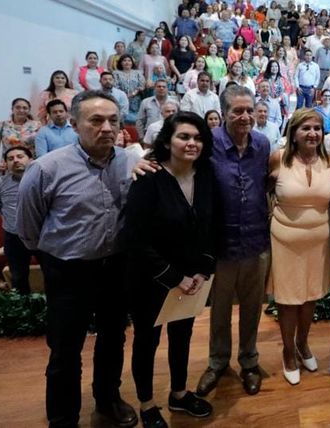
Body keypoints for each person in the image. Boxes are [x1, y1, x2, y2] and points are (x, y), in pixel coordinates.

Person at [16, 90, 139, 428]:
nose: (107, 128)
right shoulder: (46, 168)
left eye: (113, 120)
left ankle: (107, 400)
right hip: (68, 271)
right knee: (65, 349)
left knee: (113, 339)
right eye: (96, 120)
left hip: (115, 268)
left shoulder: (131, 163)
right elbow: (28, 229)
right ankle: (63, 418)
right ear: (74, 124)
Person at [122, 112, 215, 427]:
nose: (192, 143)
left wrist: (202, 270)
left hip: (192, 277)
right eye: (184, 136)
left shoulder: (205, 176)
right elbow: (134, 238)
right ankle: (147, 404)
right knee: (147, 342)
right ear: (167, 141)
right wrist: (175, 277)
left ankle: (179, 394)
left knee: (182, 336)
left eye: (198, 138)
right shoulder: (148, 177)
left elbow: (210, 227)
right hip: (150, 278)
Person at [196, 85, 270, 399]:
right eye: (237, 111)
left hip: (256, 239)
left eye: (249, 110)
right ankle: (217, 362)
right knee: (220, 308)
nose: (245, 117)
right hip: (221, 242)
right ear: (224, 113)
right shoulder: (208, 142)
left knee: (252, 307)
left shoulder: (262, 144)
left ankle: (249, 361)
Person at [267, 109, 330, 385]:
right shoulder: (277, 158)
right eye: (306, 128)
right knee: (288, 299)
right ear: (293, 133)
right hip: (285, 241)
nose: (312, 133)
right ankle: (287, 351)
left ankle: (303, 343)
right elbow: (264, 189)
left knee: (311, 296)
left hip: (319, 241)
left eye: (317, 128)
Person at [0, 146, 34, 293]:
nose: (15, 160)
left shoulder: (42, 179)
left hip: (41, 236)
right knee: (18, 278)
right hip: (13, 237)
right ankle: (23, 306)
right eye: (10, 158)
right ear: (6, 164)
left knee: (52, 274)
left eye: (20, 157)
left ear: (31, 160)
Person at [0, 98, 41, 171]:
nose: (21, 110)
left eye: (25, 108)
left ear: (29, 110)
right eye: (18, 107)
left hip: (31, 166)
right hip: (9, 166)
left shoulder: (38, 125)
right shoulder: (2, 126)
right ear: (12, 109)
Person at [114, 54, 146, 124]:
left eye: (129, 60)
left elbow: (142, 85)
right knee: (122, 120)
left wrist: (133, 93)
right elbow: (115, 86)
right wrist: (124, 95)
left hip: (136, 100)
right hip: (121, 99)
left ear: (132, 63)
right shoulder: (116, 73)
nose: (127, 62)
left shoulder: (137, 73)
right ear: (121, 62)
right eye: (124, 60)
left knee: (136, 121)